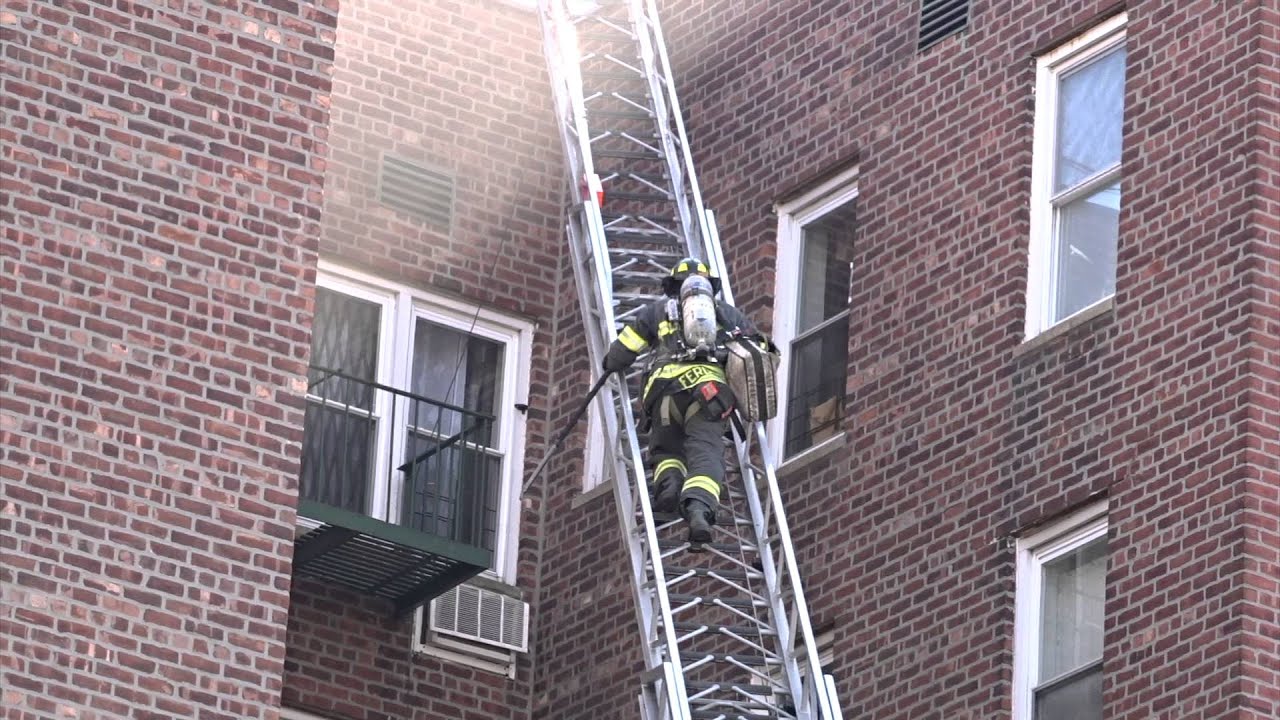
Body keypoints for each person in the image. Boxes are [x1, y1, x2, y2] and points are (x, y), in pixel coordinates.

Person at [601, 257, 761, 544]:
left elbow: (620, 354)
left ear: (672, 287)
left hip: (664, 394)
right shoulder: (728, 314)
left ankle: (670, 487)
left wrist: (609, 363)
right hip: (709, 393)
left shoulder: (655, 312)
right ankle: (698, 510)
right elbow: (759, 351)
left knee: (666, 450)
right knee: (705, 451)